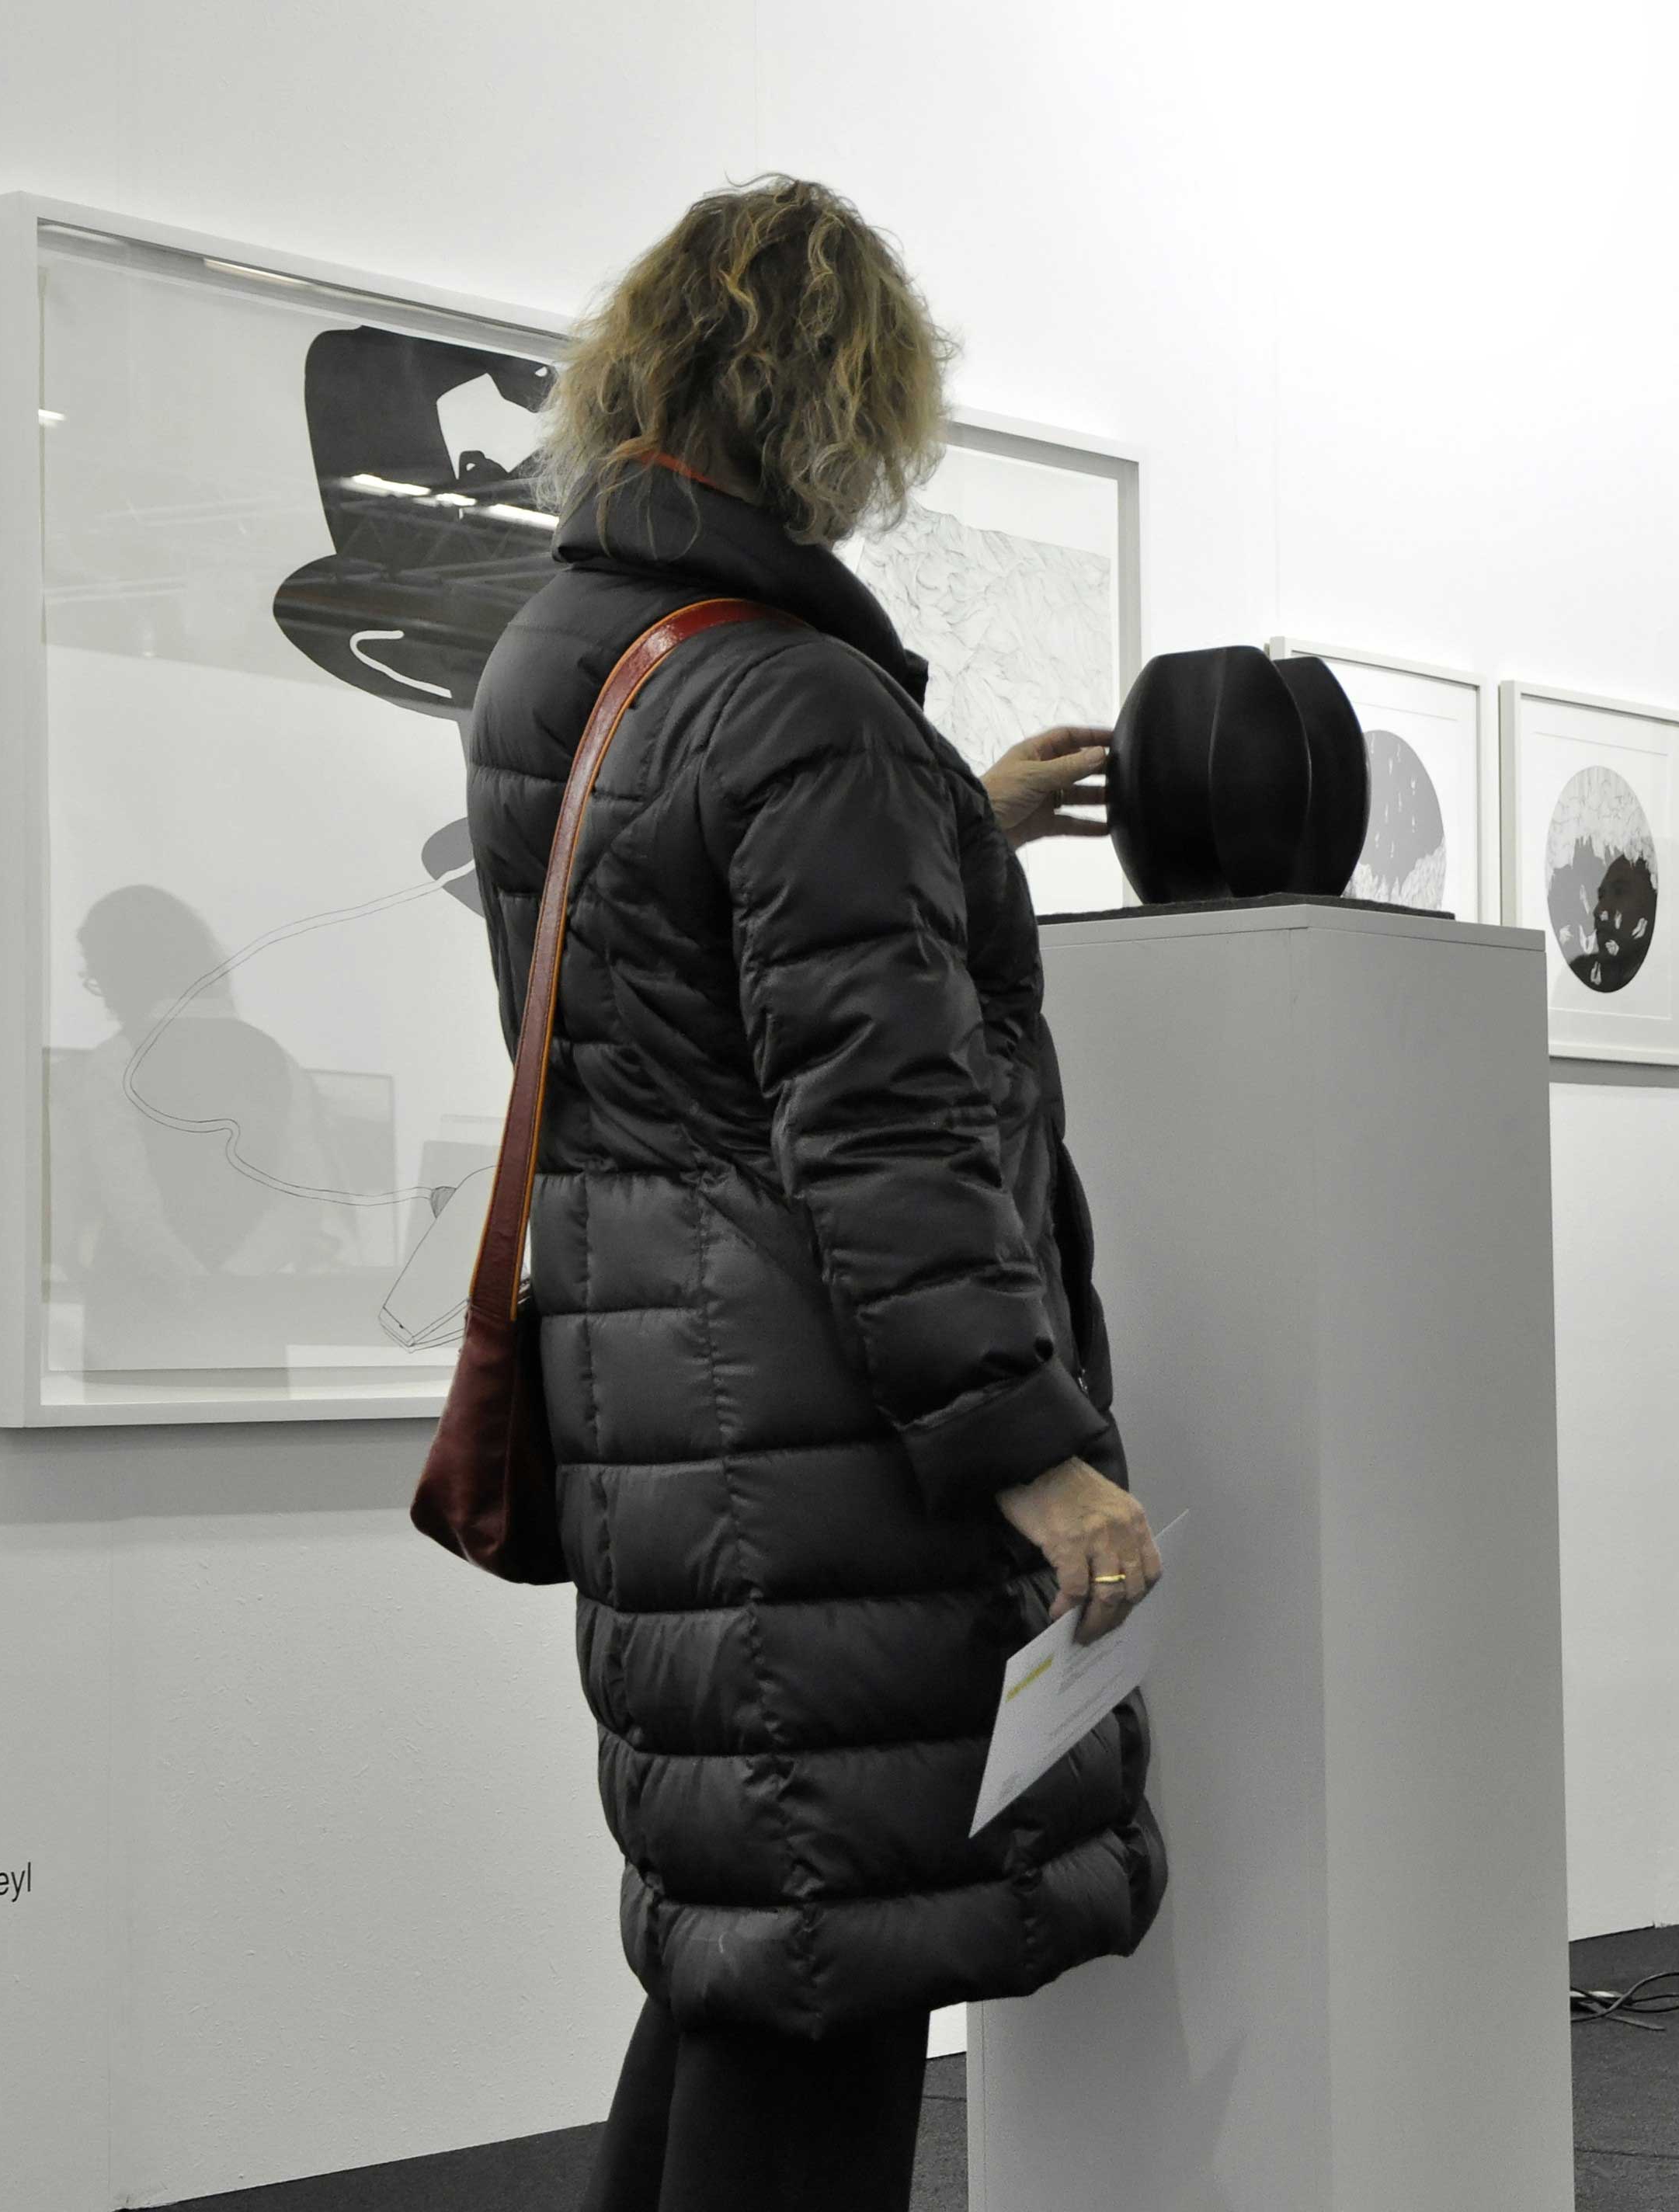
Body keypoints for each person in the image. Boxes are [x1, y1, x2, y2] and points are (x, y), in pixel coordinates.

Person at [464, 177, 1163, 2212]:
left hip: (663, 1407)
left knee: (750, 1939)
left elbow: (681, 978)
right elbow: (880, 1129)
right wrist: (1035, 1455)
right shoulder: (802, 704)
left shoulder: (561, 654)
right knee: (825, 1978)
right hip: (817, 1437)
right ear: (843, 406)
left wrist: (943, 817)